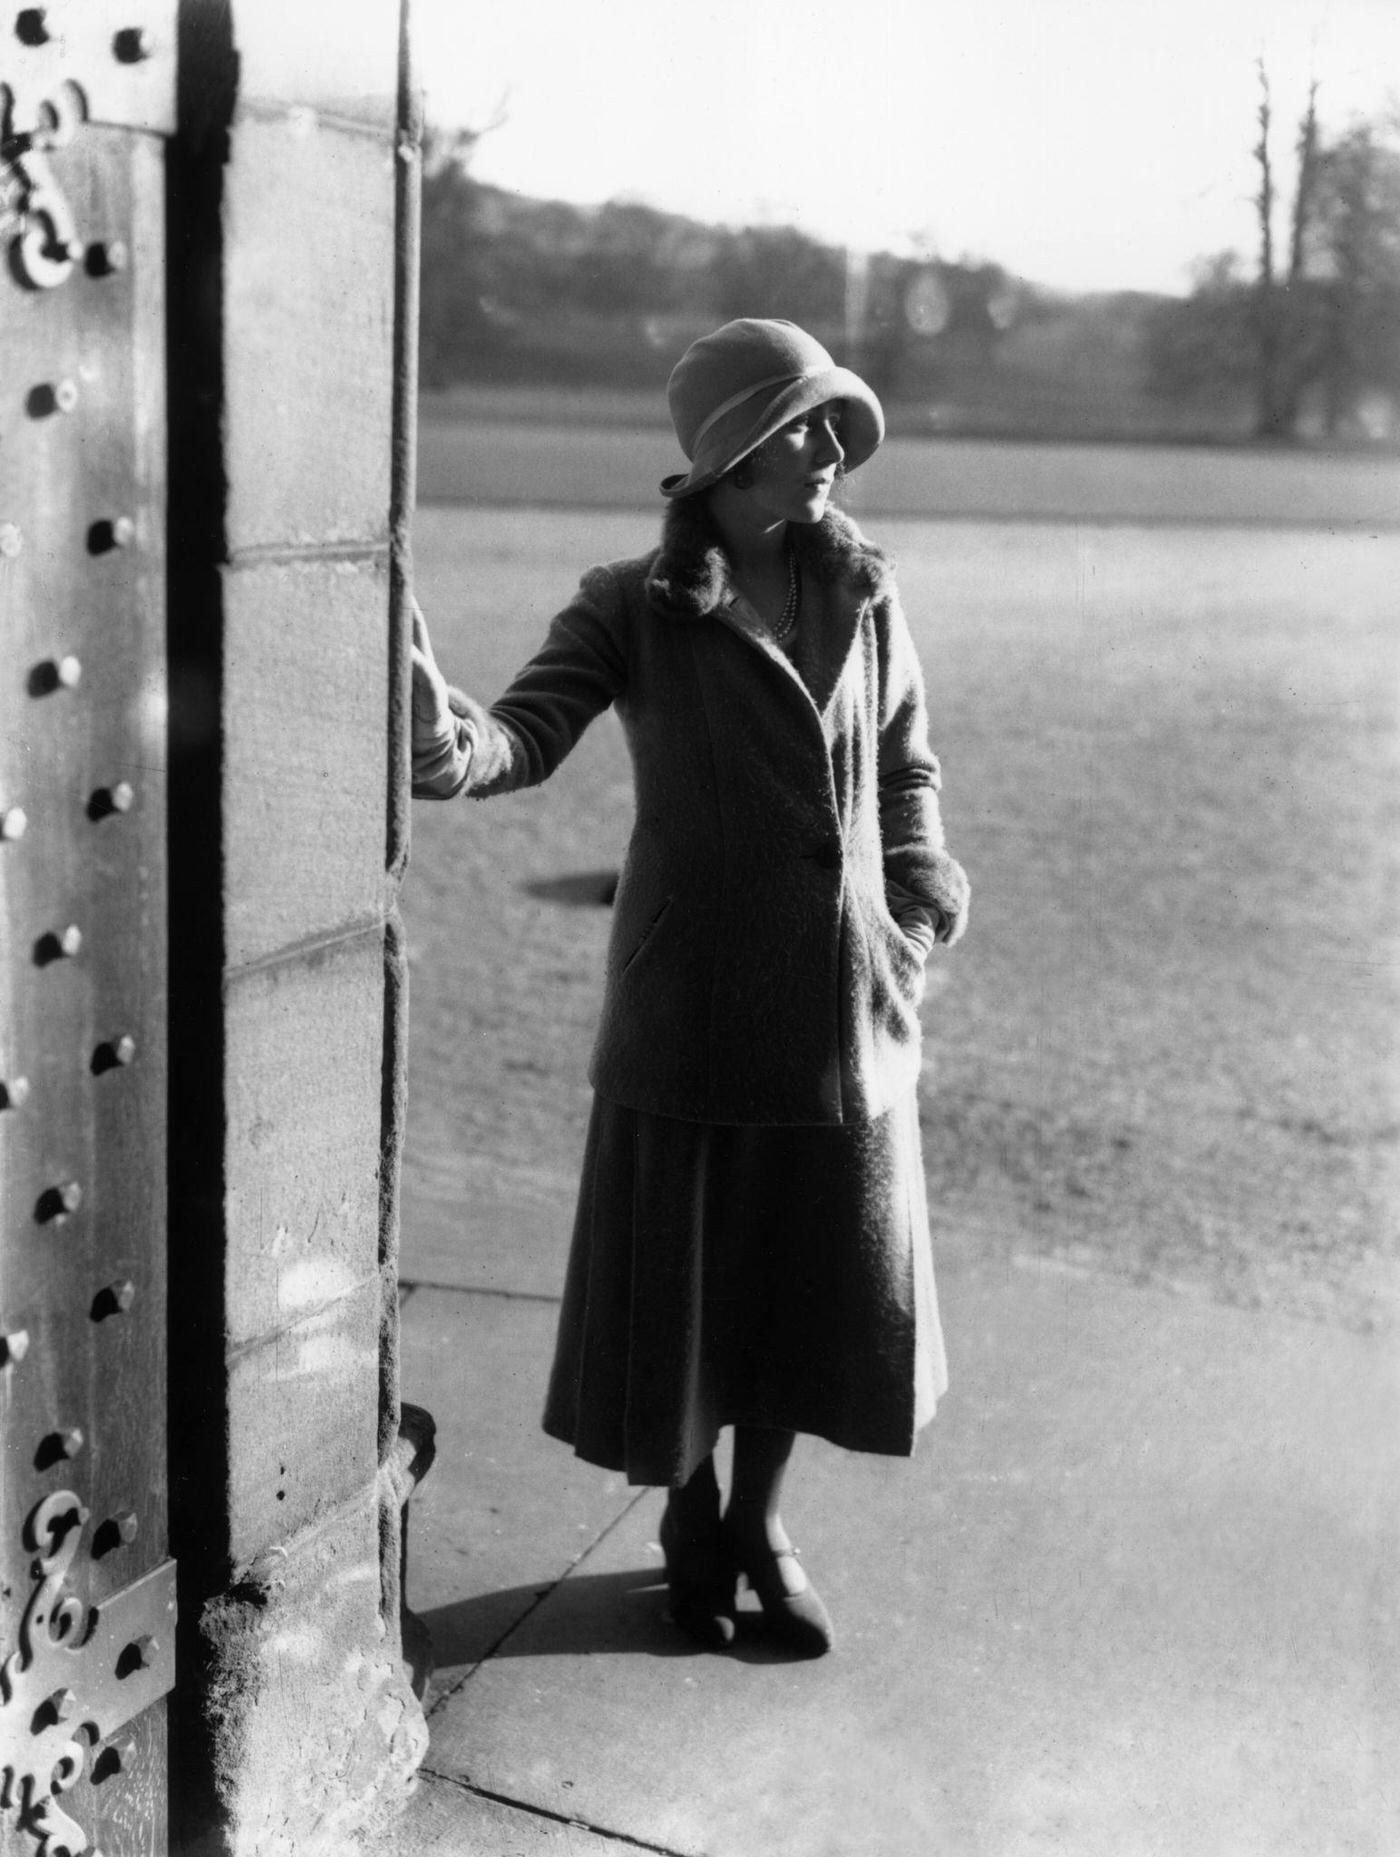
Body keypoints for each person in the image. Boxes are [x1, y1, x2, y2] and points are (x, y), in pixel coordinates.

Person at [410, 318, 970, 1658]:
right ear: (727, 455)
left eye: (840, 421)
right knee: (692, 1293)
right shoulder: (628, 603)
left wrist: (922, 877)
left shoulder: (867, 591)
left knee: (811, 1279)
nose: (833, 447)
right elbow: (516, 740)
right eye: (802, 424)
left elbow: (905, 765)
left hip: (848, 1007)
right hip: (696, 1011)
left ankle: (761, 1524)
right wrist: (434, 729)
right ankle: (689, 1516)